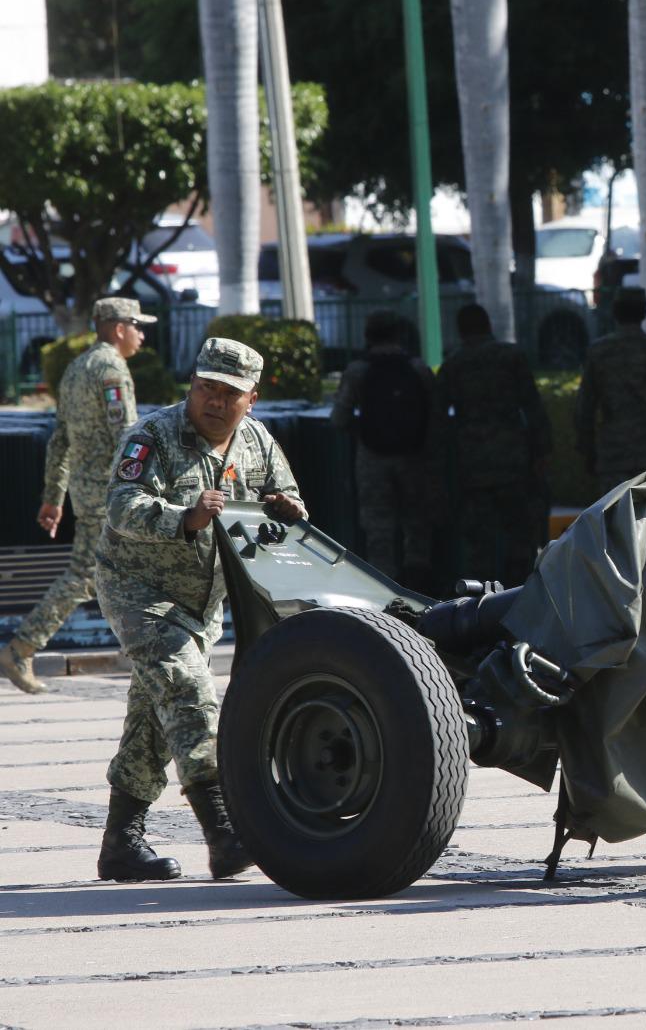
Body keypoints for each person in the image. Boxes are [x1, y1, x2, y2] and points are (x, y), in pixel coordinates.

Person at [95, 337, 307, 881]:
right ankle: (223, 831)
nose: (213, 401)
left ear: (251, 399)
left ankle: (122, 844)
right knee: (188, 694)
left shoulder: (257, 441)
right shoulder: (153, 435)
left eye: (228, 394)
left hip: (202, 605)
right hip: (137, 592)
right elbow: (122, 507)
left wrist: (287, 511)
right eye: (205, 388)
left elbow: (289, 500)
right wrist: (184, 517)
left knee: (153, 716)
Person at [1, 298, 155, 695]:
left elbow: (60, 441)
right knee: (89, 576)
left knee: (123, 575)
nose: (141, 334)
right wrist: (146, 485)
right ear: (117, 327)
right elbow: (128, 436)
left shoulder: (74, 370)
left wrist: (53, 497)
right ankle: (21, 647)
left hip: (87, 496)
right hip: (113, 496)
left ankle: (149, 657)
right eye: (137, 325)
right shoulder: (111, 368)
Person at [434, 302, 553, 586]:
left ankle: (481, 600)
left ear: (461, 331)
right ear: (488, 325)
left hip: (473, 463)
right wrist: (542, 452)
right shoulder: (511, 357)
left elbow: (438, 421)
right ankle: (520, 593)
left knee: (478, 541)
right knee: (520, 536)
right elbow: (534, 409)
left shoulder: (454, 364)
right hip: (513, 458)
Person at [330, 310, 434, 583]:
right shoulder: (417, 367)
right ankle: (419, 578)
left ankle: (384, 583)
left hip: (372, 457)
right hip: (413, 456)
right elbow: (435, 413)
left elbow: (339, 418)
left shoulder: (358, 370)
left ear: (368, 336)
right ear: (399, 333)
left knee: (378, 525)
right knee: (416, 520)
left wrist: (363, 430)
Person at [574, 287, 646, 492]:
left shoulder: (598, 351)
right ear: (645, 312)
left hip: (612, 455)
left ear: (615, 311)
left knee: (615, 520)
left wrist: (587, 449)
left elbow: (584, 408)